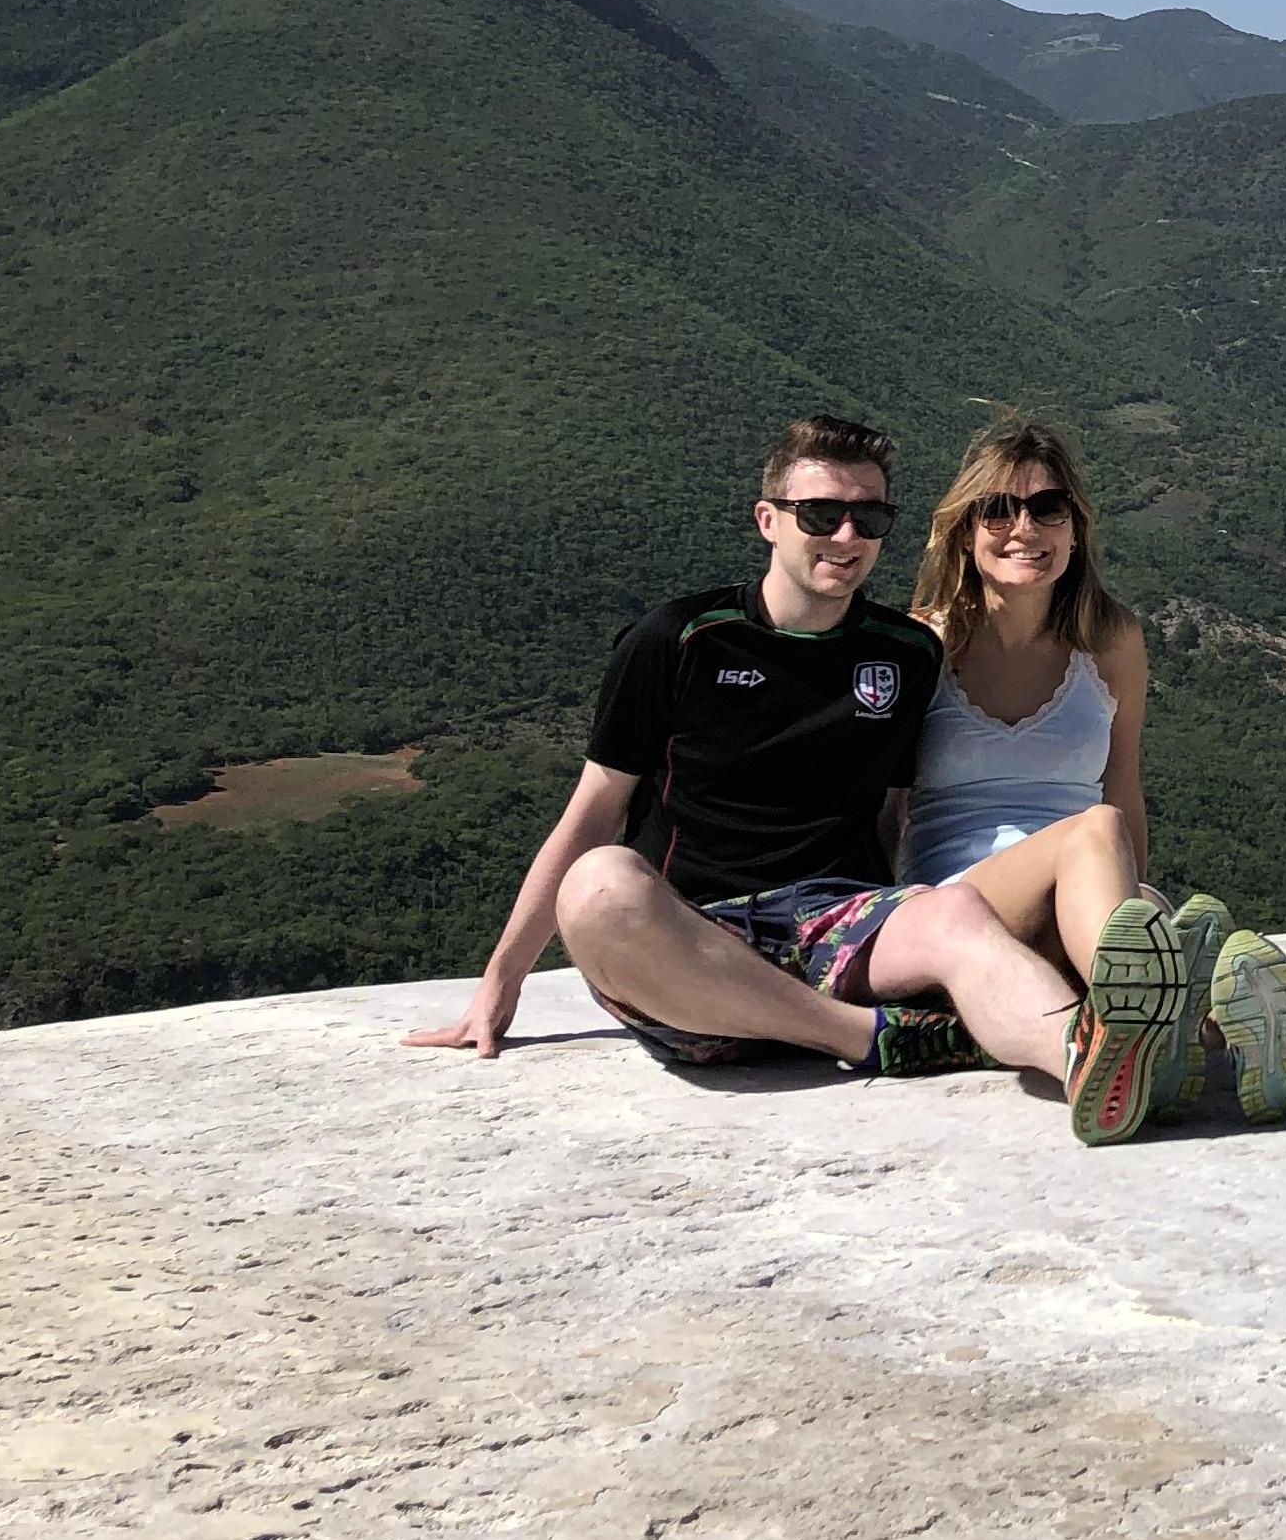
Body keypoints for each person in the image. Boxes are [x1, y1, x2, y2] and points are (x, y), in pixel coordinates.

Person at [403, 412, 1199, 1145]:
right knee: (602, 883)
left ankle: (1093, 1060)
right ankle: (866, 1038)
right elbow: (591, 814)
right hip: (693, 936)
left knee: (954, 917)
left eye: (869, 518)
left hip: (840, 923)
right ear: (768, 520)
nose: (845, 536)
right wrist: (500, 982)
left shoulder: (903, 654)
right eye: (821, 515)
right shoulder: (679, 640)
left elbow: (899, 815)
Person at [901, 415, 1286, 1125]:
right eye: (997, 508)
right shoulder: (920, 644)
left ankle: (1208, 1035)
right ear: (965, 529)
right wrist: (877, 932)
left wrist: (1137, 890)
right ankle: (1170, 998)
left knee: (1122, 881)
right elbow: (884, 804)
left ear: (1074, 528)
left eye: (1046, 508)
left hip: (1085, 904)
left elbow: (1126, 781)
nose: (1023, 528)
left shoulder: (1111, 640)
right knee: (1094, 834)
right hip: (962, 902)